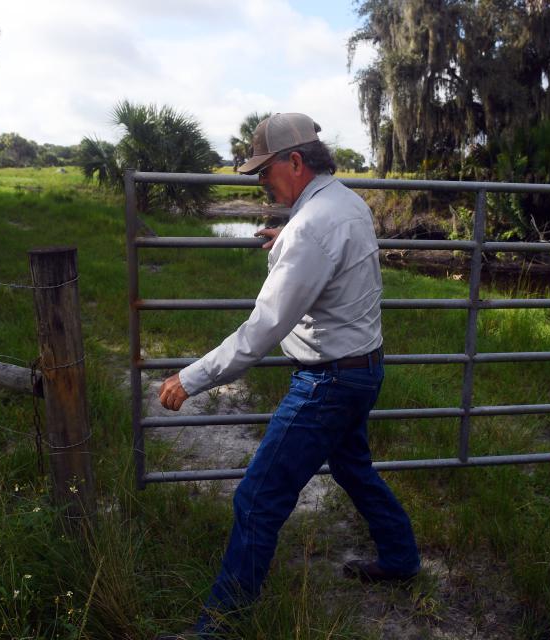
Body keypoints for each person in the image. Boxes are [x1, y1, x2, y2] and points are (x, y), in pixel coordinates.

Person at [157, 112, 420, 637]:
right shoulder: (345, 203)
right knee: (353, 469)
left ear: (294, 162)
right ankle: (401, 558)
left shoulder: (312, 227)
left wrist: (190, 378)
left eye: (264, 172)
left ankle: (221, 627)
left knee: (257, 497)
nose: (260, 183)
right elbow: (327, 255)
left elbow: (262, 330)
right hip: (363, 369)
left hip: (328, 382)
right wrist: (288, 235)